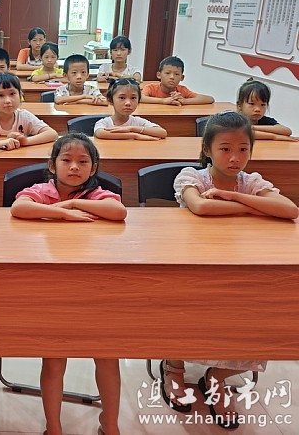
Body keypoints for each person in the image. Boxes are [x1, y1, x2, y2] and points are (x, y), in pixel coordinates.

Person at [164, 112, 298, 429]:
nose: (235, 157)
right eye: (225, 149)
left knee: (257, 321)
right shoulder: (191, 177)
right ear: (207, 149)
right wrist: (253, 206)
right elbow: (201, 206)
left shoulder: (250, 182)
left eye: (243, 149)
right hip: (195, 262)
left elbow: (290, 209)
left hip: (242, 262)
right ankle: (173, 365)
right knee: (181, 311)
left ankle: (217, 376)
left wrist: (232, 196)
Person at [10, 133, 126, 435]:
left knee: (107, 356)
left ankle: (110, 425)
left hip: (95, 289)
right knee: (54, 360)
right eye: (66, 160)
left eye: (83, 162)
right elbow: (19, 208)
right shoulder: (42, 191)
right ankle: (54, 426)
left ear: (93, 168)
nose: (74, 167)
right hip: (52, 291)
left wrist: (74, 201)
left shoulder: (97, 194)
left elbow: (119, 212)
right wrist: (63, 213)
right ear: (52, 165)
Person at [94, 78, 167, 140]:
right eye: (122, 98)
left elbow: (162, 133)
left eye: (133, 98)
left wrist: (131, 129)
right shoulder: (105, 122)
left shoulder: (138, 122)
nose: (128, 103)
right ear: (110, 100)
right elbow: (100, 133)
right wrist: (134, 135)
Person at [141, 56, 215, 105]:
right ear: (159, 75)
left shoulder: (182, 90)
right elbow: (140, 98)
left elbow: (210, 99)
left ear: (182, 77)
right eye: (167, 73)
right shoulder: (151, 88)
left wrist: (185, 101)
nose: (172, 77)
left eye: (176, 74)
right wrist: (163, 101)